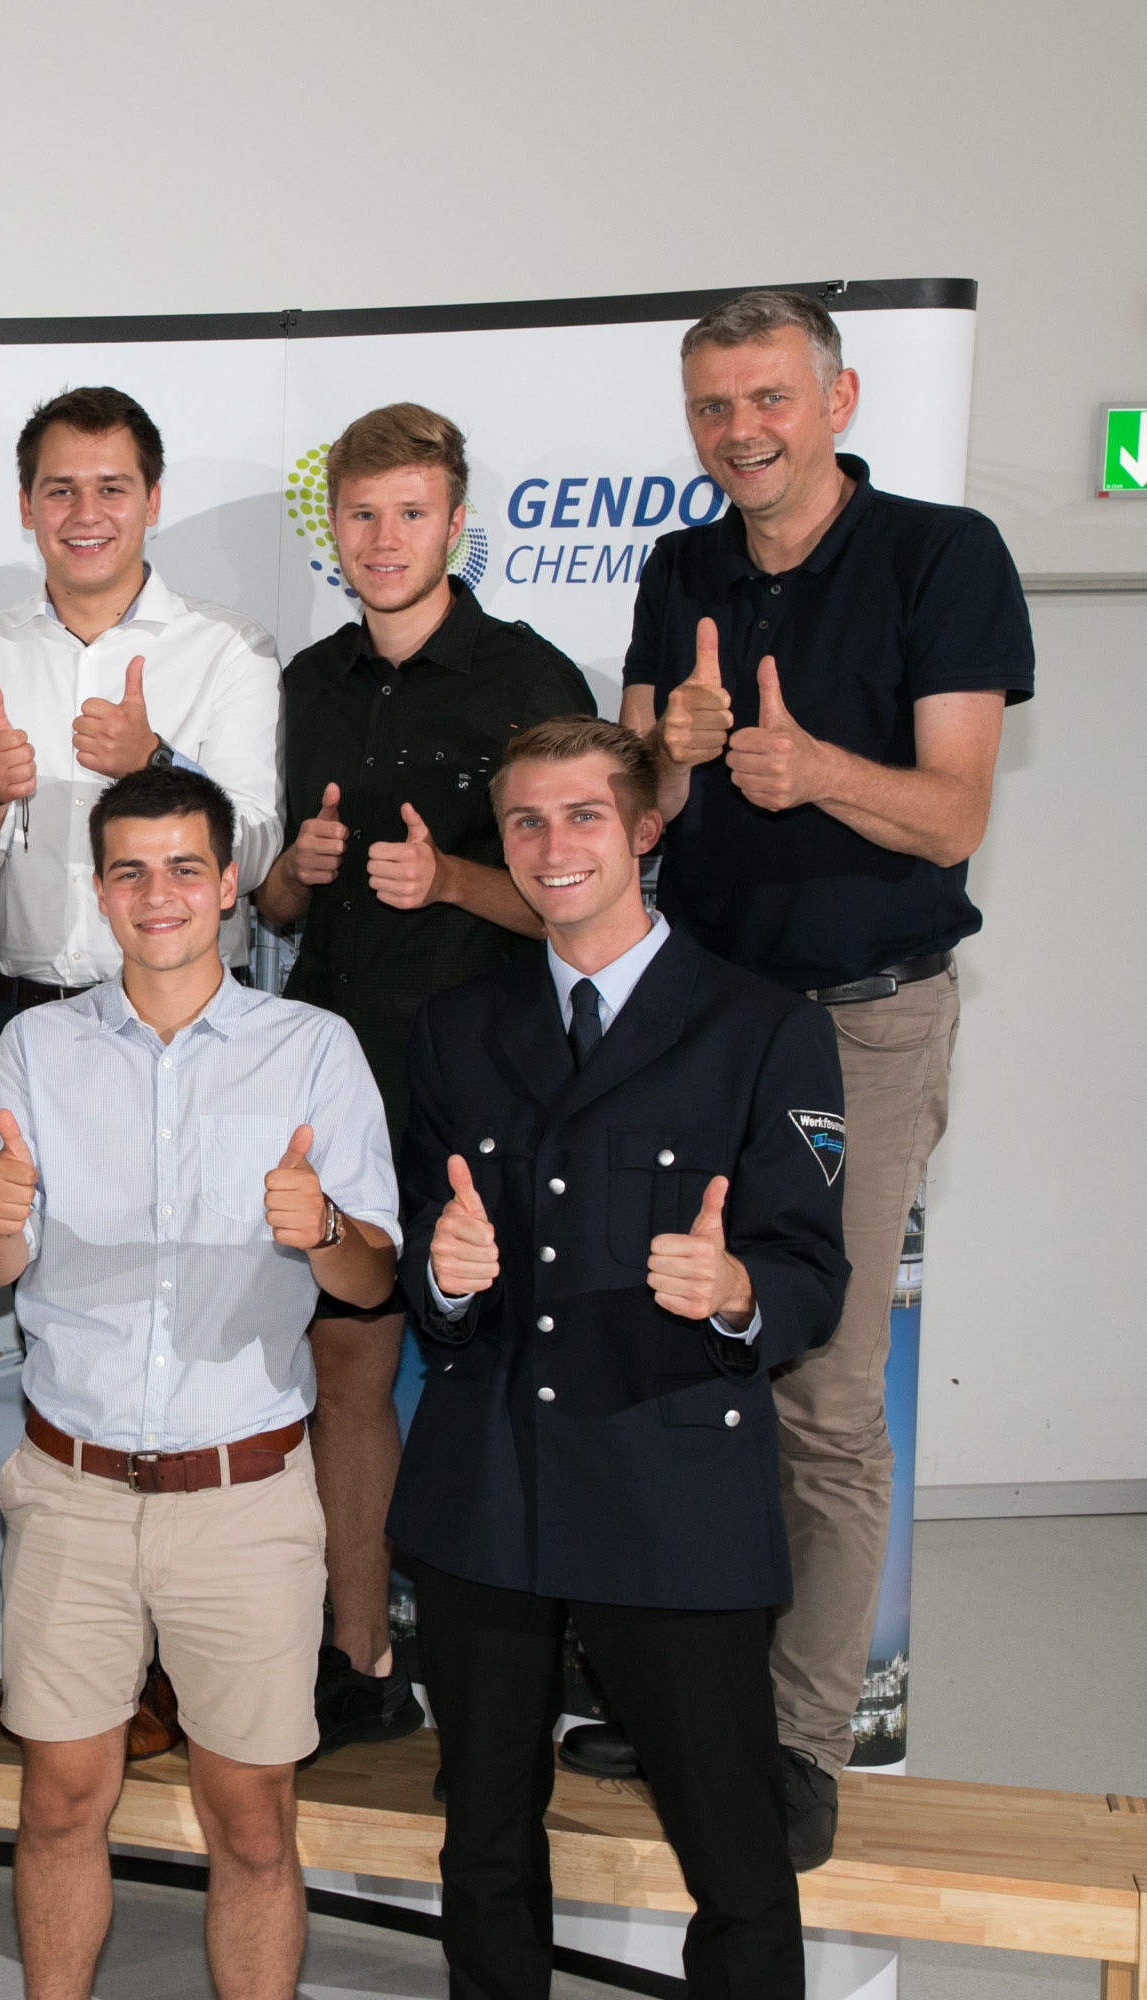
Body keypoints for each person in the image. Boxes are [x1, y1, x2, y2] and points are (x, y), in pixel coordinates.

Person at [613, 289, 1031, 1866]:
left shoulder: (944, 555)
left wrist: (813, 771)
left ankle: (798, 1744)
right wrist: (674, 752)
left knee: (826, 1390)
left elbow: (955, 814)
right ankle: (690, 1697)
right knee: (679, 1366)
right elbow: (639, 805)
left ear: (838, 400)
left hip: (864, 1026)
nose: (742, 431)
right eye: (714, 405)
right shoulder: (680, 570)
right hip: (703, 1022)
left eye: (769, 397)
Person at [390, 715, 849, 1997]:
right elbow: (426, 1251)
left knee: (736, 1855)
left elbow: (812, 1272)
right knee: (483, 1844)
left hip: (671, 1488)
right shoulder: (457, 1026)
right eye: (527, 820)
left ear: (646, 828)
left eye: (584, 814)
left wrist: (737, 1287)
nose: (554, 845)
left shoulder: (762, 1027)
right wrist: (444, 1273)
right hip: (491, 1489)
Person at [0, 762, 395, 2000]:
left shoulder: (312, 1048)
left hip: (245, 1499)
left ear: (230, 883)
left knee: (250, 1821)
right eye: (132, 871)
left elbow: (370, 1280)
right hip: (70, 1490)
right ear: (100, 891)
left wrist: (324, 1229)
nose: (160, 895)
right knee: (58, 1801)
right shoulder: (37, 1046)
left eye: (185, 868)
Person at [248, 403, 597, 1758]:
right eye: (361, 514)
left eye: (410, 513)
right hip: (335, 1069)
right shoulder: (306, 681)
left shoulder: (528, 674)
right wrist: (296, 876)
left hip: (492, 1079)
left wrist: (448, 875)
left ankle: (536, 1678)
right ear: (331, 526)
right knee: (348, 1366)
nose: (384, 539)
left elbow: (584, 896)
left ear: (455, 522)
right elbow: (275, 908)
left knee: (511, 1379)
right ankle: (362, 1661)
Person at [0, 386, 282, 1093]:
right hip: (21, 1019)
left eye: (112, 489)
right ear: (27, 507)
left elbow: (256, 855)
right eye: (61, 490)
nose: (86, 514)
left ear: (152, 502)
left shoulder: (232, 648)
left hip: (192, 1023)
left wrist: (155, 764)